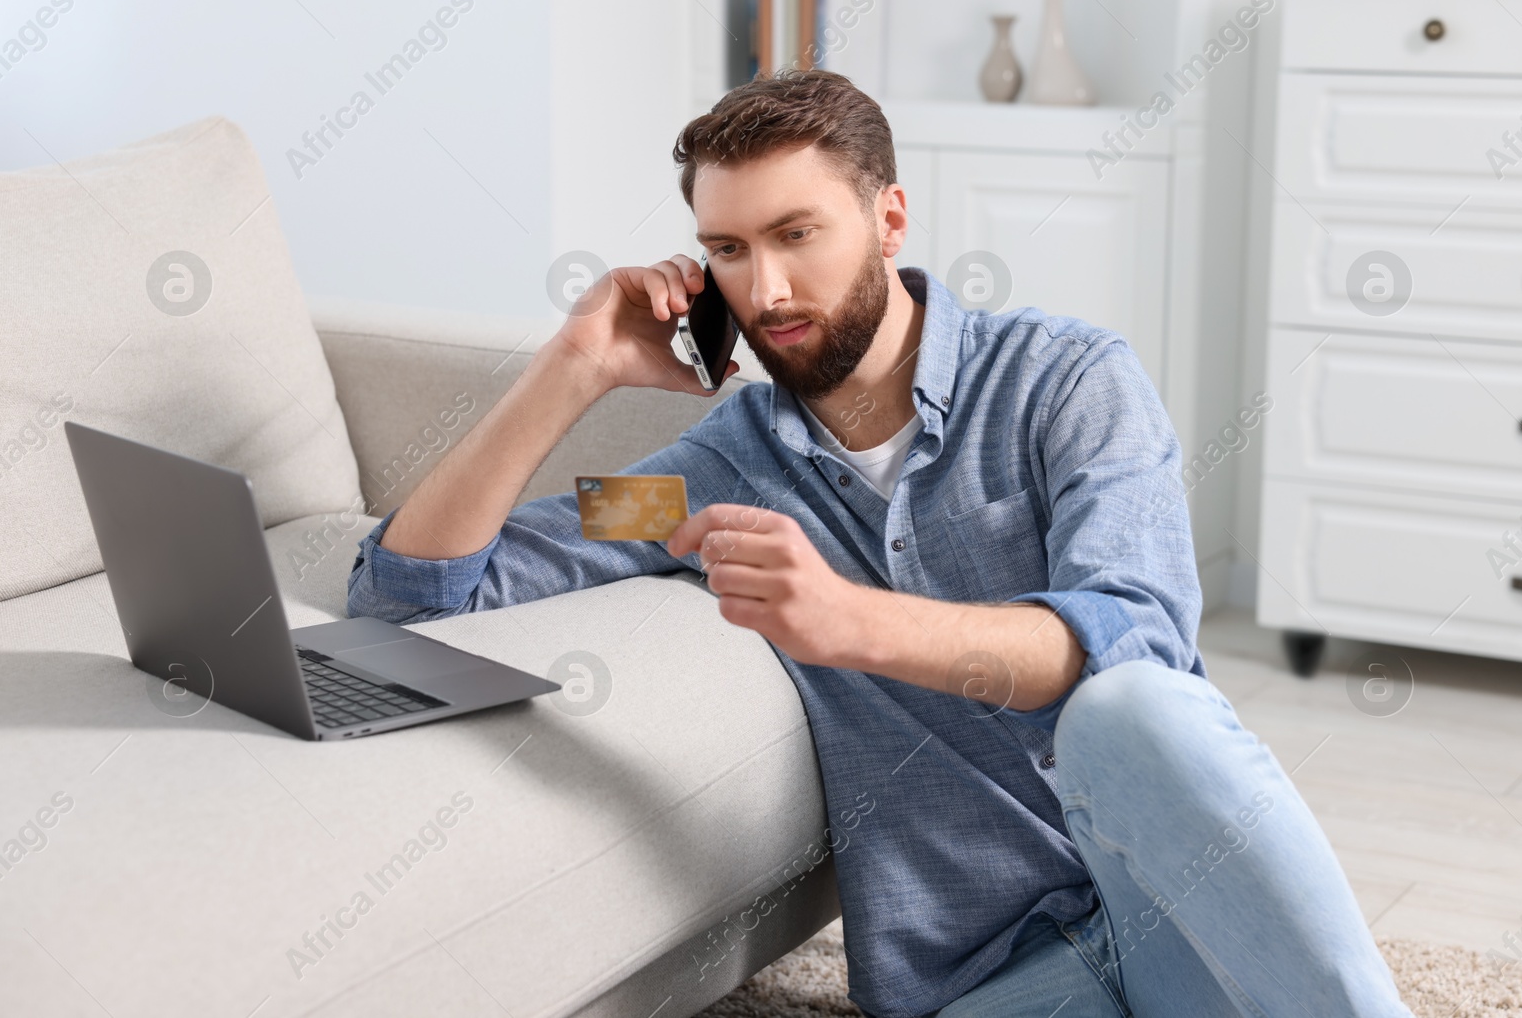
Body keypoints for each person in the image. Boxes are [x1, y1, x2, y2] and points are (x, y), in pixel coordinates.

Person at [347, 69, 1413, 1018]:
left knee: (1128, 706)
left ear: (888, 217)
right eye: (728, 249)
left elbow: (1130, 642)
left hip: (1175, 927)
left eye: (795, 233)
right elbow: (419, 590)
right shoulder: (715, 473)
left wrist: (851, 623)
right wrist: (573, 363)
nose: (762, 291)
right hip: (989, 982)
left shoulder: (1066, 384)